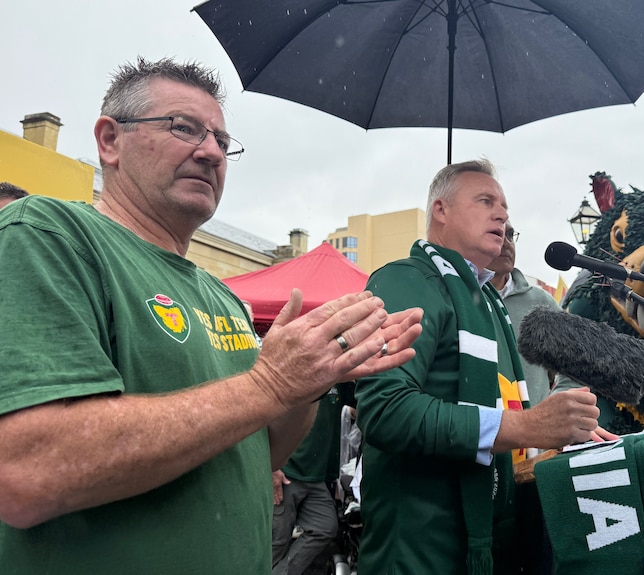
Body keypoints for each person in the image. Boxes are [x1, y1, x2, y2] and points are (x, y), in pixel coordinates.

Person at [0, 57, 422, 575]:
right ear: (110, 140)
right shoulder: (46, 235)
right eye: (183, 128)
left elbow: (255, 457)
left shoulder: (219, 296)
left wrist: (308, 382)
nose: (210, 152)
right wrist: (269, 383)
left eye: (223, 142)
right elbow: (28, 472)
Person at [355, 159, 610, 575]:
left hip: (486, 544)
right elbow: (386, 412)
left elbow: (507, 416)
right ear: (440, 210)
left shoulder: (489, 302)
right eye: (485, 201)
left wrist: (561, 434)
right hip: (418, 551)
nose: (502, 215)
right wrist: (528, 428)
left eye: (505, 207)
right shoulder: (405, 281)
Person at [271, 381, 353, 574]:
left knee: (325, 526)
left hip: (317, 477)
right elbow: (268, 417)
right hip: (288, 473)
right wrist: (272, 467)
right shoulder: (297, 375)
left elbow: (361, 402)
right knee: (276, 543)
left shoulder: (339, 380)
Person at [488, 222, 561, 406]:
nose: (506, 243)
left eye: (511, 235)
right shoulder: (455, 299)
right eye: (496, 234)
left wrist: (556, 405)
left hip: (541, 433)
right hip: (477, 431)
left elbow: (578, 364)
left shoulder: (542, 302)